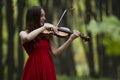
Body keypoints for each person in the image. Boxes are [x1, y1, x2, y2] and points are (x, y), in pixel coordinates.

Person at [19, 6, 80, 80]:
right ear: (34, 17)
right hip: (33, 68)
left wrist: (70, 39)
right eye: (41, 15)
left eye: (44, 15)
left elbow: (55, 52)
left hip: (47, 66)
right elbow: (28, 38)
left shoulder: (48, 35)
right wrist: (44, 27)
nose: (45, 18)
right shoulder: (23, 33)